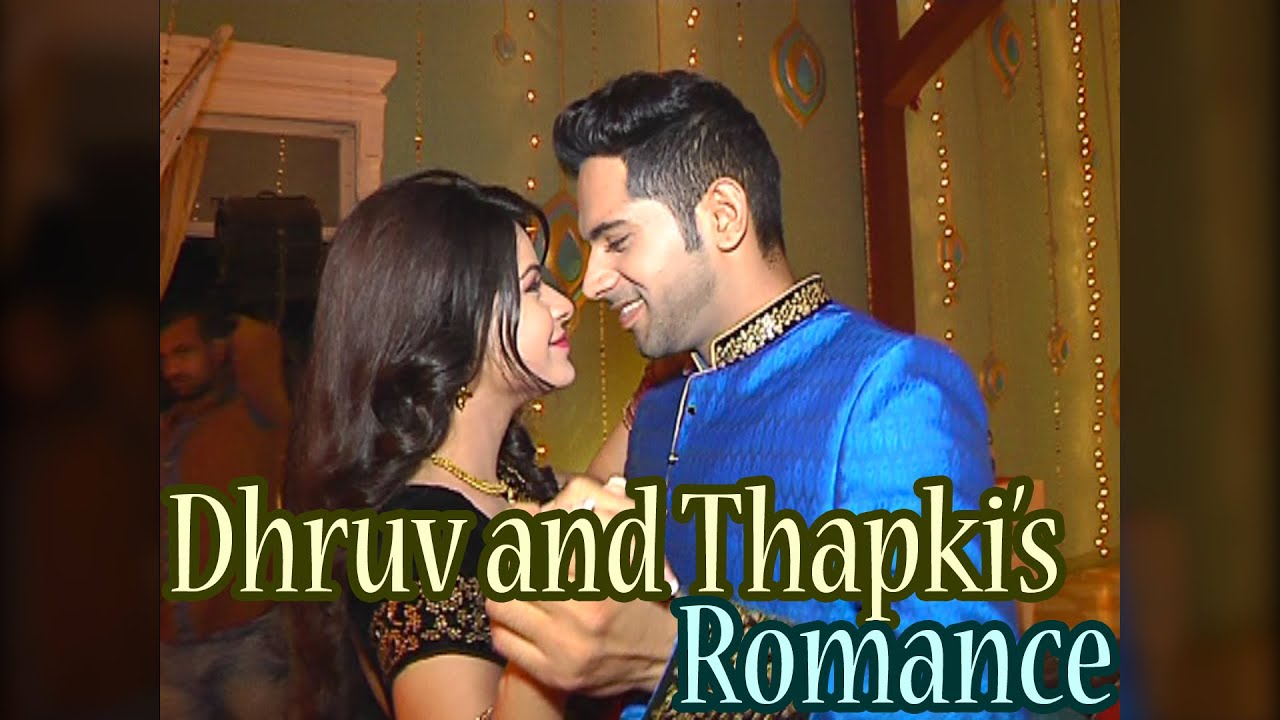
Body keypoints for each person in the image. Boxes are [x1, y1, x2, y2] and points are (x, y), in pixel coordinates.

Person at [485, 70, 1022, 718]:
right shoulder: (658, 410)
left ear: (723, 215)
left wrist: (675, 655)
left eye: (617, 241)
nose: (592, 280)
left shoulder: (890, 388)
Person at [286, 169, 614, 720]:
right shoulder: (414, 540)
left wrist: (655, 392)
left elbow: (589, 498)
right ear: (451, 327)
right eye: (532, 287)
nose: (563, 305)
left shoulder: (497, 474)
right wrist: (555, 606)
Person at [159, 301, 291, 719]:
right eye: (164, 358)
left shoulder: (256, 417)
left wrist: (227, 317)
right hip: (170, 656)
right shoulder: (165, 432)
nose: (172, 369)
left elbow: (259, 342)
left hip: (246, 646)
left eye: (184, 352)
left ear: (218, 350)